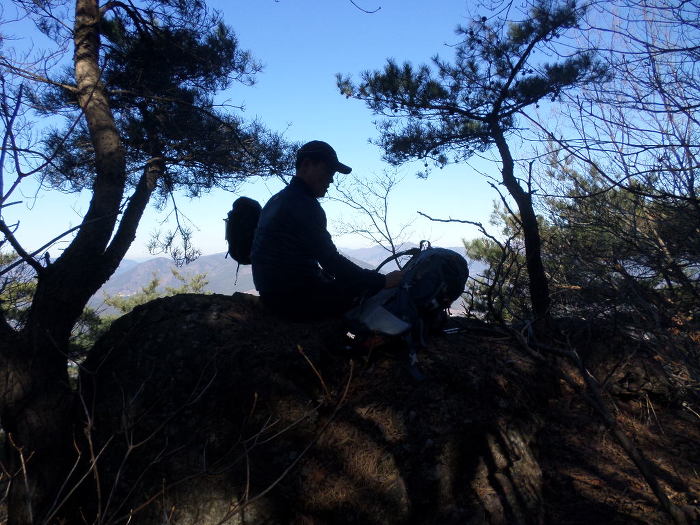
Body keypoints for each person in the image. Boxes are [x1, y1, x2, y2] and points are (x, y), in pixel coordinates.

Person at [251, 140, 403, 320]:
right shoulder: (304, 205)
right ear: (306, 165)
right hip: (294, 300)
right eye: (328, 171)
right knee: (371, 292)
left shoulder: (278, 199)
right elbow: (331, 261)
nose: (331, 179)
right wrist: (382, 281)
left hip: (272, 293)